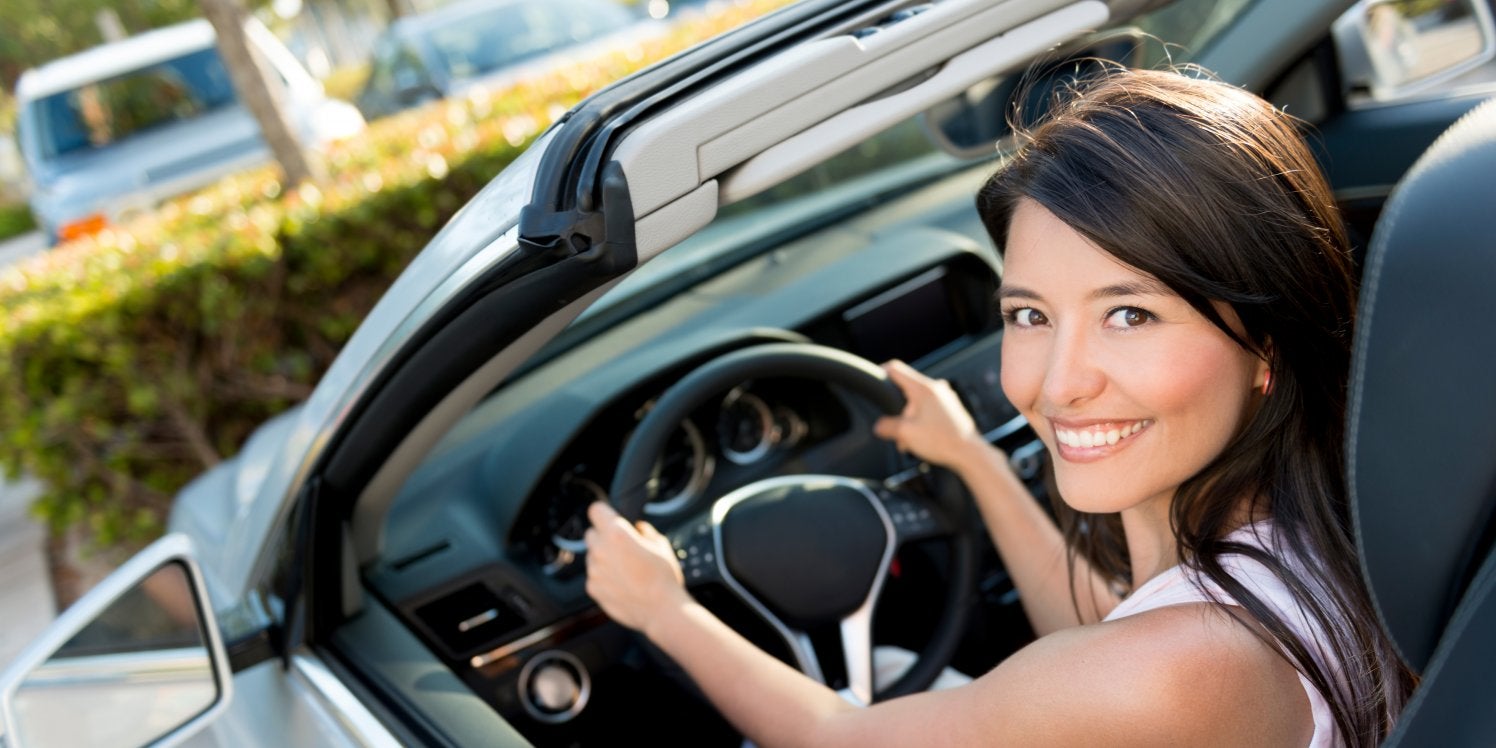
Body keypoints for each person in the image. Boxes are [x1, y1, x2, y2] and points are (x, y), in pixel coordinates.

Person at [584, 66, 1413, 747]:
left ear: (1265, 344)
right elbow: (1105, 629)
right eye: (1029, 315)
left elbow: (839, 740)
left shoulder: (1173, 671)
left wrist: (663, 609)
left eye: (1129, 313)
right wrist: (975, 461)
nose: (1057, 385)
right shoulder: (1302, 541)